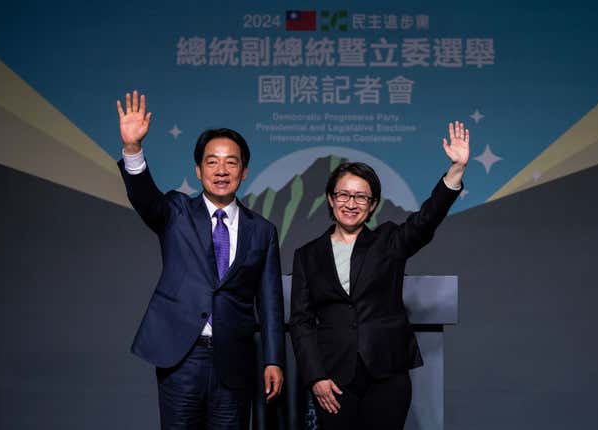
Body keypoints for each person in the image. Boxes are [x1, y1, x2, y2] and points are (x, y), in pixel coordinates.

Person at [116, 90, 285, 429]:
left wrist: (273, 359)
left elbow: (270, 302)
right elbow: (145, 199)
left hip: (234, 359)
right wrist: (133, 149)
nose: (221, 170)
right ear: (198, 170)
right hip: (182, 356)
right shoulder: (176, 212)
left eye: (231, 162)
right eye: (212, 161)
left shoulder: (262, 230)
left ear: (244, 170)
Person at [289, 122, 469, 430]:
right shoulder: (307, 255)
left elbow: (426, 220)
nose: (351, 203)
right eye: (343, 194)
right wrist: (315, 376)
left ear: (372, 205)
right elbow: (301, 321)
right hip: (332, 378)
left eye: (361, 197)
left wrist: (455, 170)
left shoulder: (388, 242)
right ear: (330, 200)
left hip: (386, 374)